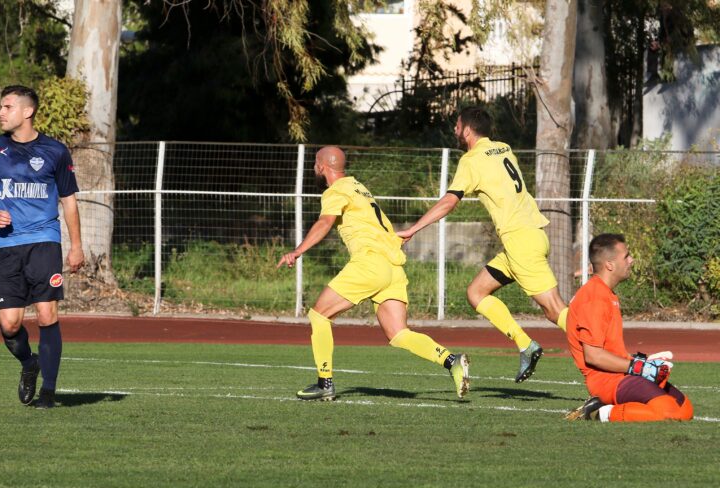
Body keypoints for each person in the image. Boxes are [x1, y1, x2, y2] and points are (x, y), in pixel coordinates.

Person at [277, 146, 469, 401]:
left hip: (370, 263)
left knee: (319, 315)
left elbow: (325, 222)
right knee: (399, 334)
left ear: (322, 166)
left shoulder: (336, 190)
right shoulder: (359, 188)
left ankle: (324, 384)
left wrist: (298, 250)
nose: (314, 167)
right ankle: (452, 361)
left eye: (315, 163)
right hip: (392, 266)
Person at [397, 106, 567, 383]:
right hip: (529, 237)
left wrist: (414, 228)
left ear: (466, 130)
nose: (454, 130)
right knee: (476, 292)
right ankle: (526, 345)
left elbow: (449, 201)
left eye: (456, 125)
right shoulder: (503, 148)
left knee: (554, 310)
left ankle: (608, 351)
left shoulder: (471, 160)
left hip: (521, 242)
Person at [0, 85, 84, 409]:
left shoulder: (55, 151)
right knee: (10, 325)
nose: (0, 113)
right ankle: (28, 363)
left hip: (44, 242)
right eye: (1, 107)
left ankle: (47, 393)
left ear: (27, 111)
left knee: (47, 313)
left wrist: (76, 246)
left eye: (6, 107)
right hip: (6, 246)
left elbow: (69, 201)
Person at [565, 233, 693, 422]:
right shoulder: (594, 297)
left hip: (622, 373)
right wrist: (640, 367)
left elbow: (610, 349)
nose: (631, 260)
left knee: (684, 409)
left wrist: (642, 361)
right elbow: (593, 356)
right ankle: (599, 412)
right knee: (669, 413)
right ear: (610, 265)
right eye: (626, 256)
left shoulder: (605, 293)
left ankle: (612, 409)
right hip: (607, 381)